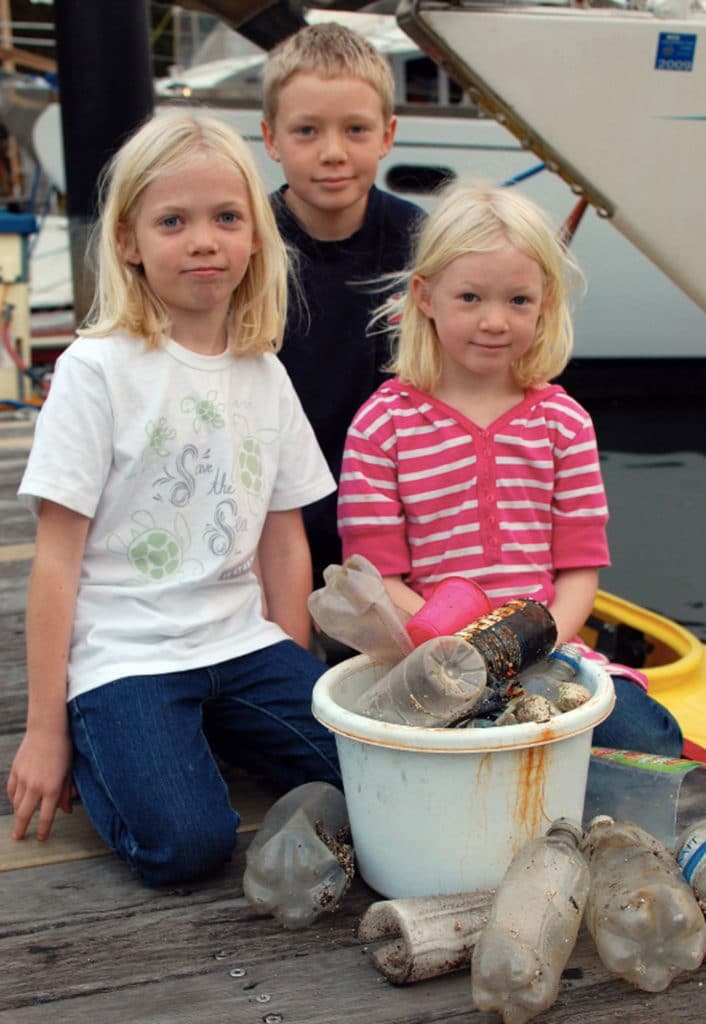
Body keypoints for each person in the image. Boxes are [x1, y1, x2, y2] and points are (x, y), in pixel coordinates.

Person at [7, 111, 341, 887]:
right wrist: (44, 729)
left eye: (227, 217)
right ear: (128, 241)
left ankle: (218, 727)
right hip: (126, 652)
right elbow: (55, 562)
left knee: (375, 769)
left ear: (256, 236)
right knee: (187, 845)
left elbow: (285, 539)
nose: (203, 240)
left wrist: (293, 673)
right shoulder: (96, 370)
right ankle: (104, 745)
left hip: (240, 640)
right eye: (172, 220)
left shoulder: (265, 372)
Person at [337, 181, 682, 755]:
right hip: (427, 652)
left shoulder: (565, 423)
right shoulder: (380, 427)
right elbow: (381, 582)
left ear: (544, 299)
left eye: (517, 301)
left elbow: (578, 576)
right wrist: (462, 653)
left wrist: (526, 644)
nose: (495, 321)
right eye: (470, 298)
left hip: (548, 646)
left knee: (650, 740)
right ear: (425, 296)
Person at [260, 22, 425, 589]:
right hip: (272, 517)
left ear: (387, 134)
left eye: (356, 129)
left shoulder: (423, 241)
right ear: (271, 138)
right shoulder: (246, 245)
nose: (333, 153)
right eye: (307, 131)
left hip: (394, 518)